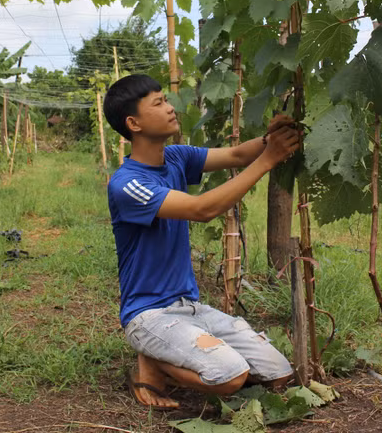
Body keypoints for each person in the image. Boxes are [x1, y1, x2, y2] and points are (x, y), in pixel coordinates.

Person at [103, 74, 303, 409]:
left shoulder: (177, 157)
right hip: (150, 315)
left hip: (191, 308)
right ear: (133, 123)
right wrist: (269, 159)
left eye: (165, 99)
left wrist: (274, 138)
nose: (170, 108)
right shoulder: (127, 184)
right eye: (158, 103)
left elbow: (239, 155)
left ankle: (177, 355)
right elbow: (201, 209)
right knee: (230, 377)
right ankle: (149, 364)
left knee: (279, 373)